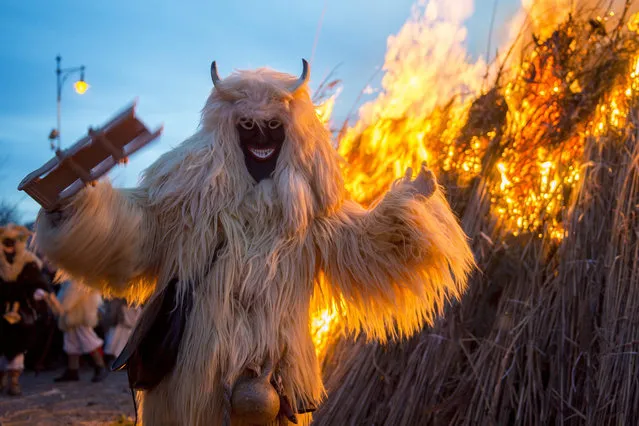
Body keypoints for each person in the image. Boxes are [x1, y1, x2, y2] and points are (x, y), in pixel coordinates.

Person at [35, 60, 475, 425]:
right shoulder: (183, 197)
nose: (261, 137)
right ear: (227, 128)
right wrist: (79, 209)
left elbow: (364, 248)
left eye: (273, 126)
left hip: (275, 382)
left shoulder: (311, 210)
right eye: (247, 125)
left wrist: (406, 216)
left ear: (295, 132)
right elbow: (131, 229)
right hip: (192, 386)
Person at [0, 223, 51, 396]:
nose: (9, 246)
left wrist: (38, 293)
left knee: (18, 345)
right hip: (1, 309)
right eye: (6, 241)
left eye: (12, 242)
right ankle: (2, 379)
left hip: (21, 312)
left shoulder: (28, 262)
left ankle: (14, 381)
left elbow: (38, 284)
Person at [51, 279, 108, 383]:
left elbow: (68, 300)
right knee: (71, 342)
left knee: (89, 341)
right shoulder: (73, 277)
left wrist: (57, 306)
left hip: (80, 314)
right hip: (72, 315)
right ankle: (72, 370)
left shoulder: (77, 279)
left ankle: (100, 367)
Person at [103, 298, 141, 364]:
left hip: (130, 329)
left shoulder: (136, 306)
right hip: (123, 329)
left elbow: (138, 317)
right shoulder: (121, 305)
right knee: (120, 346)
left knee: (124, 346)